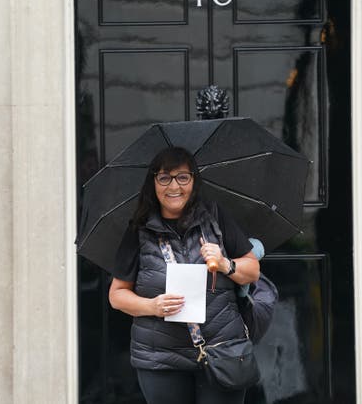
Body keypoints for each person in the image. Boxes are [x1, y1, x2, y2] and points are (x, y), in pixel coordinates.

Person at [109, 146, 260, 404]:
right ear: (153, 183)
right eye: (164, 178)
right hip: (161, 358)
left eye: (182, 177)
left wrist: (225, 264)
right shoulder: (139, 230)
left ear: (193, 181)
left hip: (222, 350)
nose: (174, 187)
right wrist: (152, 306)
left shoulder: (215, 218)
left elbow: (252, 270)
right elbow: (117, 295)